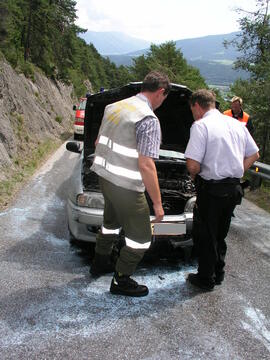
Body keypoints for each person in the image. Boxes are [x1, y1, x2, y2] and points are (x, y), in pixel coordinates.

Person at [90, 71, 170, 297]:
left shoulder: (114, 107)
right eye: (164, 98)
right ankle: (121, 280)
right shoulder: (147, 118)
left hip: (105, 178)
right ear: (161, 92)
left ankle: (99, 263)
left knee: (110, 224)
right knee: (141, 239)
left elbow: (98, 142)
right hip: (126, 186)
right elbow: (146, 165)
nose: (162, 103)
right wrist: (157, 204)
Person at [185, 89, 259, 291]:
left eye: (192, 110)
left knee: (206, 234)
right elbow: (255, 154)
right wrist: (237, 171)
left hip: (211, 190)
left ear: (197, 106)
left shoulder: (201, 126)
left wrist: (195, 178)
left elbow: (192, 165)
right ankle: (219, 273)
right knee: (220, 233)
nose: (193, 114)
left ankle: (205, 279)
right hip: (234, 189)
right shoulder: (236, 124)